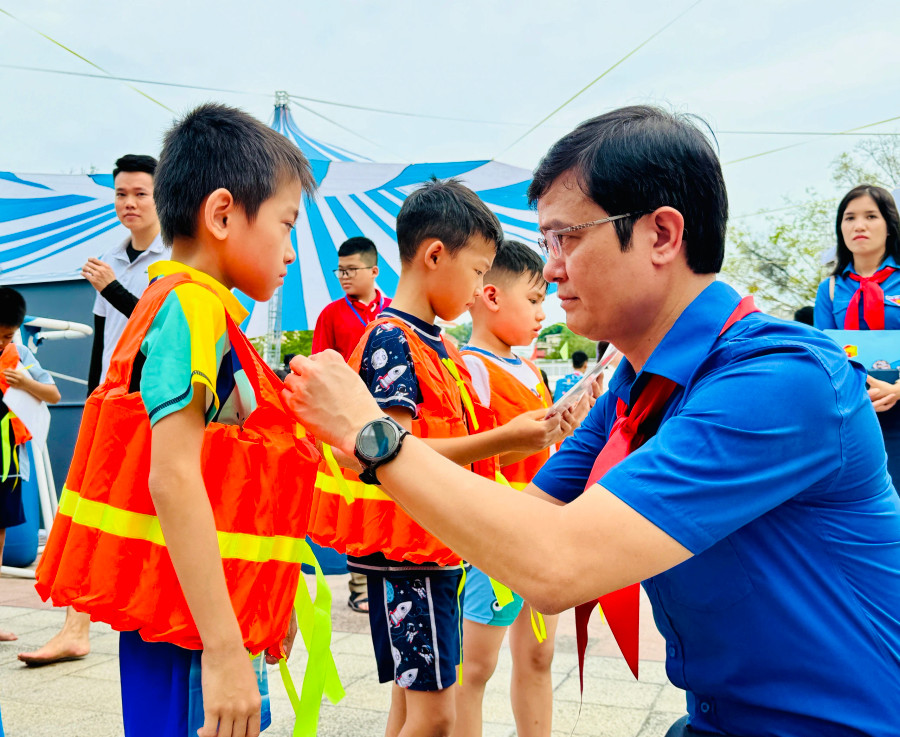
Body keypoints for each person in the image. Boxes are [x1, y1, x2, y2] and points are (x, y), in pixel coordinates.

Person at [285, 106, 900, 737]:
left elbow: (557, 564)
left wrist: (374, 436)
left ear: (662, 235)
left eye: (566, 239)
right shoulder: (635, 389)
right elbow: (532, 516)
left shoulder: (779, 381)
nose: (550, 270)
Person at [35, 103, 320, 737]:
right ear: (223, 215)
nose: (294, 252)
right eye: (286, 224)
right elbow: (174, 477)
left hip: (194, 616)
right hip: (189, 635)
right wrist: (222, 650)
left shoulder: (198, 312)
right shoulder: (191, 310)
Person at [309, 179, 584, 737]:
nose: (481, 285)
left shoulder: (432, 342)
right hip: (413, 551)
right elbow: (394, 456)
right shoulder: (393, 341)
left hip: (431, 544)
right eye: (480, 270)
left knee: (413, 707)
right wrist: (502, 440)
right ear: (436, 255)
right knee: (435, 715)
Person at [19, 154, 166, 667]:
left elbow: (164, 326)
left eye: (139, 194)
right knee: (87, 506)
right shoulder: (110, 253)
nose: (128, 203)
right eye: (121, 194)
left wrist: (112, 289)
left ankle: (149, 612)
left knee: (154, 510)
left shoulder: (175, 257)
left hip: (156, 402)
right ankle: (75, 626)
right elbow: (105, 336)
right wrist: (94, 397)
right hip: (112, 400)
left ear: (160, 196)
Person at [455, 240, 559, 737]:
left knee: (538, 656)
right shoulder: (468, 368)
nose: (544, 312)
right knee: (474, 667)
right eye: (535, 300)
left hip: (540, 530)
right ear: (491, 296)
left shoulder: (533, 369)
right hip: (491, 537)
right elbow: (474, 458)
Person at [311, 236, 391, 614]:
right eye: (339, 270)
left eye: (350, 270)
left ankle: (385, 572)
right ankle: (359, 584)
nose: (343, 277)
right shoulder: (331, 314)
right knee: (355, 497)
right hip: (345, 421)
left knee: (387, 493)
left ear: (374, 271)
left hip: (388, 416)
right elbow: (320, 365)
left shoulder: (393, 311)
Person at [814, 185, 900, 485]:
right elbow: (822, 357)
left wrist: (897, 389)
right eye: (849, 217)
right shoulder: (830, 289)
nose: (859, 225)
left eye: (871, 216)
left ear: (889, 226)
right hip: (852, 415)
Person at [0, 288, 61, 642]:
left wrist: (26, 382)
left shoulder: (19, 354)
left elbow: (53, 394)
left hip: (7, 466)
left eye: (7, 335)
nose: (2, 341)